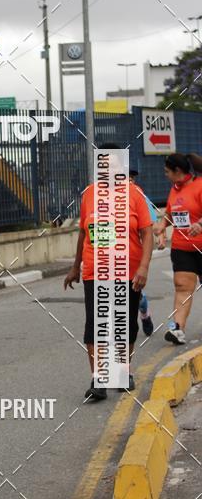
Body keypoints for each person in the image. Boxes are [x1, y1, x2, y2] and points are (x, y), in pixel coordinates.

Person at [64, 145, 154, 400]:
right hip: (95, 270)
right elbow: (83, 232)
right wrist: (75, 267)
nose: (106, 169)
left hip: (128, 271)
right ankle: (99, 379)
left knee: (125, 323)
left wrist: (144, 267)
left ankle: (123, 370)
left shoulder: (134, 193)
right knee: (96, 324)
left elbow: (147, 232)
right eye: (102, 164)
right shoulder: (89, 194)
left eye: (111, 165)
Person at [155, 153, 202, 345]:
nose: (165, 175)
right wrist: (162, 225)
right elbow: (171, 213)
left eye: (167, 171)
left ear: (178, 170)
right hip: (182, 247)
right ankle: (177, 328)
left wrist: (200, 224)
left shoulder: (200, 186)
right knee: (182, 287)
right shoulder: (174, 189)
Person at [128, 162, 158, 336]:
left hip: (136, 253)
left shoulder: (140, 196)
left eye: (132, 178)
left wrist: (160, 236)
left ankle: (144, 314)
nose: (130, 181)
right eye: (127, 177)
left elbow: (150, 227)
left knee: (136, 292)